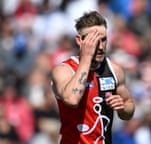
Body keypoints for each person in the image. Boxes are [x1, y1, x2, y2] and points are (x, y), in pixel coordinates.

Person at [51, 10, 135, 144]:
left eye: (103, 40)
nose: (101, 47)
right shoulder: (64, 70)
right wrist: (86, 59)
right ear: (80, 40)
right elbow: (72, 99)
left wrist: (122, 108)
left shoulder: (114, 70)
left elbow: (129, 108)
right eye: (94, 41)